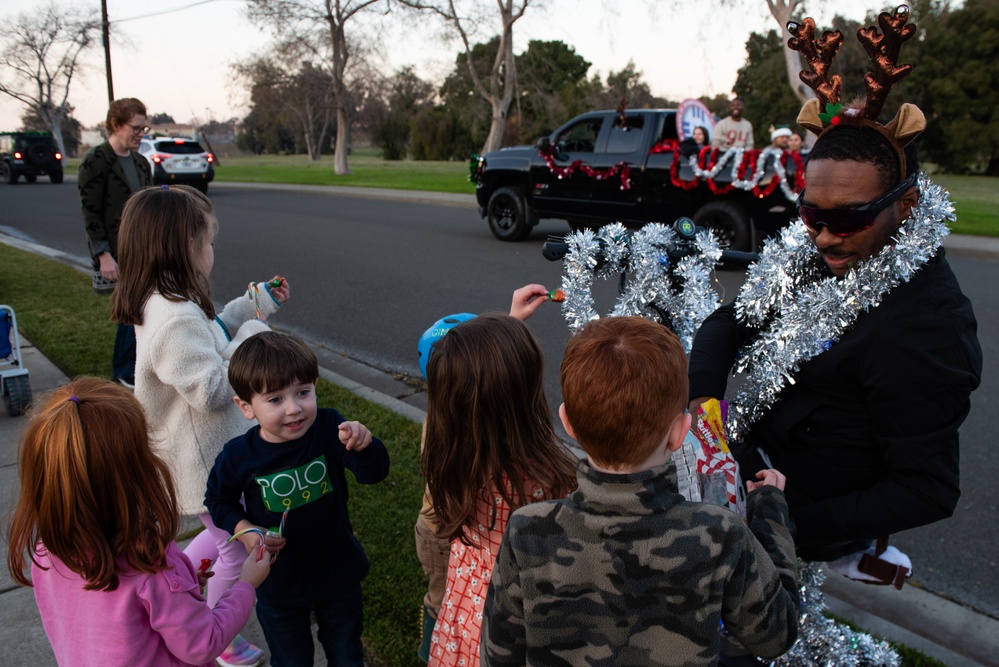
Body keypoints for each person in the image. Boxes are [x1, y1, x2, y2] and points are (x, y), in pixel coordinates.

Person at [688, 33, 983, 570]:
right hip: (752, 473)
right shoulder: (818, 249)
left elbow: (927, 489)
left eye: (849, 217)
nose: (824, 236)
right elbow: (731, 322)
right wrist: (704, 412)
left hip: (802, 527)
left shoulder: (927, 328)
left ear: (907, 204)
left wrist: (783, 524)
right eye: (810, 213)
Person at [481, 316, 799, 666]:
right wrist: (771, 518)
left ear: (567, 422)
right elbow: (775, 636)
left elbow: (500, 656)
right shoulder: (719, 534)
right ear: (680, 433)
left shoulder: (528, 530)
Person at [111, 184, 289, 667]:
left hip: (210, 453)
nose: (212, 251)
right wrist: (256, 338)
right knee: (236, 547)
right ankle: (218, 636)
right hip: (203, 460)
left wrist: (253, 307)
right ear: (183, 250)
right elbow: (211, 388)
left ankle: (180, 581)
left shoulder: (175, 303)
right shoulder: (172, 317)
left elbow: (216, 335)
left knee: (223, 526)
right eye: (206, 242)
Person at [6, 377, 272, 667]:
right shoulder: (151, 563)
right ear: (135, 474)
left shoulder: (48, 552)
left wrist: (183, 589)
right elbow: (202, 644)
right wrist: (246, 583)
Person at [205, 331, 390, 666]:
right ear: (246, 407)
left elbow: (372, 475)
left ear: (315, 385)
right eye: (275, 399)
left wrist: (366, 447)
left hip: (336, 571)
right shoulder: (238, 457)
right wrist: (247, 530)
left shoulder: (330, 427)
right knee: (291, 659)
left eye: (303, 392)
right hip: (277, 582)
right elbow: (218, 499)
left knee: (347, 653)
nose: (294, 408)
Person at [423, 312, 578, 667]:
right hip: (515, 625)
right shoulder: (550, 482)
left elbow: (476, 381)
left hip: (467, 611)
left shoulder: (451, 459)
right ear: (527, 396)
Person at [78, 97, 153, 388]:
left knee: (143, 306)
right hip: (116, 251)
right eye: (135, 128)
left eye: (144, 128)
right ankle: (124, 371)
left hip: (144, 248)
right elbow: (90, 212)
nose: (140, 134)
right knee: (131, 307)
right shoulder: (95, 161)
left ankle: (136, 367)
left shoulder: (141, 162)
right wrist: (103, 255)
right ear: (116, 124)